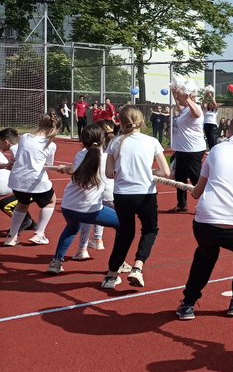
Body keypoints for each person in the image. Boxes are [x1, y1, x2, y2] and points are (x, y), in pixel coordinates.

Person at [175, 116, 233, 320]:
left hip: (205, 221)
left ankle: (188, 303)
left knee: (205, 255)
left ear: (228, 133)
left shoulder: (216, 149)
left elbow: (197, 192)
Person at [102, 105, 171, 289]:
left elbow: (109, 173)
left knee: (125, 233)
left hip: (122, 195)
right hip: (145, 194)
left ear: (121, 122)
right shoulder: (152, 141)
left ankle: (111, 275)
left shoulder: (115, 142)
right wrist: (148, 172)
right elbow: (165, 171)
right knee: (149, 230)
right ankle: (138, 267)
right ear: (142, 121)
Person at [46, 124, 122, 274]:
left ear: (83, 141)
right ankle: (118, 262)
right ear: (102, 140)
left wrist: (65, 168)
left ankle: (56, 262)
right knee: (123, 225)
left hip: (68, 206)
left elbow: (74, 169)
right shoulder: (107, 158)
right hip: (89, 209)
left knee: (72, 228)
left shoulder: (80, 155)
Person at [2, 112, 59, 246]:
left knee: (22, 204)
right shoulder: (50, 145)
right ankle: (39, 233)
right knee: (51, 201)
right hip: (35, 181)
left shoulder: (25, 137)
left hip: (17, 180)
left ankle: (12, 236)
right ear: (53, 129)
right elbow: (48, 164)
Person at [73, 119, 119, 260]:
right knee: (103, 215)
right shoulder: (113, 149)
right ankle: (98, 240)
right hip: (112, 193)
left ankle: (82, 249)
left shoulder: (84, 153)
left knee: (88, 218)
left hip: (95, 193)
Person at [170, 85, 205, 213]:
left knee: (196, 179)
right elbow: (181, 110)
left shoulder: (195, 109)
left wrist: (189, 99)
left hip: (192, 150)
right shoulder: (185, 110)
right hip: (182, 149)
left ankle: (206, 204)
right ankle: (181, 204)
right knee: (180, 177)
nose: (177, 99)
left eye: (179, 96)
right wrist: (175, 95)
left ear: (186, 97)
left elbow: (196, 114)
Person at [0, 128, 36, 235]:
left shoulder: (15, 150)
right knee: (16, 202)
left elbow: (23, 167)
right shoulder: (18, 149)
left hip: (31, 186)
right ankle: (30, 223)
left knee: (6, 204)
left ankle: (23, 223)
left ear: (6, 142)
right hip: (28, 185)